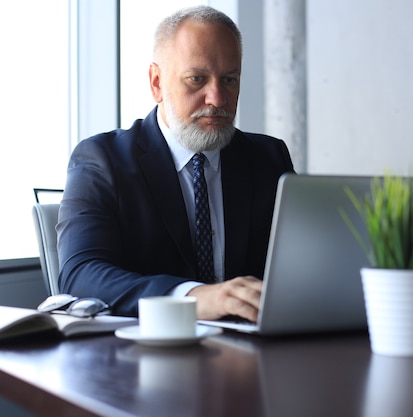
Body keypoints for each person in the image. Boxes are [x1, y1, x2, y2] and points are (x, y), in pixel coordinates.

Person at [57, 5, 294, 322]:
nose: (217, 99)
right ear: (157, 83)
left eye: (229, 80)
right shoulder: (102, 160)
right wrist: (194, 297)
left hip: (252, 352)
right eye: (197, 79)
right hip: (143, 357)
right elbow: (80, 275)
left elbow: (304, 268)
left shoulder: (268, 158)